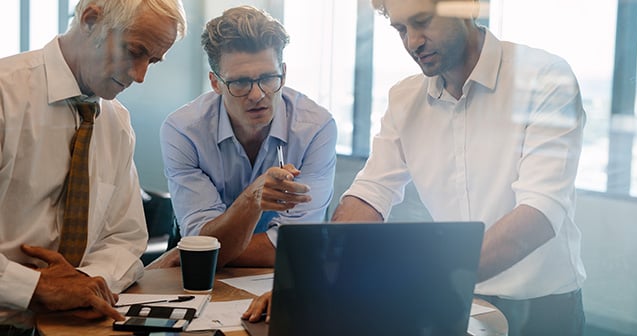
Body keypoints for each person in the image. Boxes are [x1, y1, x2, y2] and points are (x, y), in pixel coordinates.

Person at [243, 0, 586, 335]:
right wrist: (314, 283)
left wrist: (420, 281)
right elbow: (370, 194)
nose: (412, 42)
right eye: (401, 28)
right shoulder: (405, 99)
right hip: (455, 303)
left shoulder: (544, 78)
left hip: (540, 312)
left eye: (422, 21)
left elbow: (541, 212)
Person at [0, 0, 187, 331]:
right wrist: (36, 287)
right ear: (90, 20)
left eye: (153, 61)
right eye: (134, 51)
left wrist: (84, 283)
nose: (141, 76)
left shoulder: (116, 123)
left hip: (68, 325)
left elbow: (125, 237)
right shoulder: (5, 94)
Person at [148, 5, 336, 269]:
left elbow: (294, 246)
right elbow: (201, 240)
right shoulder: (183, 130)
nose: (257, 94)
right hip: (204, 277)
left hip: (276, 274)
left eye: (269, 78)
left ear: (283, 72)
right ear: (215, 83)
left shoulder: (316, 127)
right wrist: (253, 198)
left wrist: (192, 253)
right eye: (240, 82)